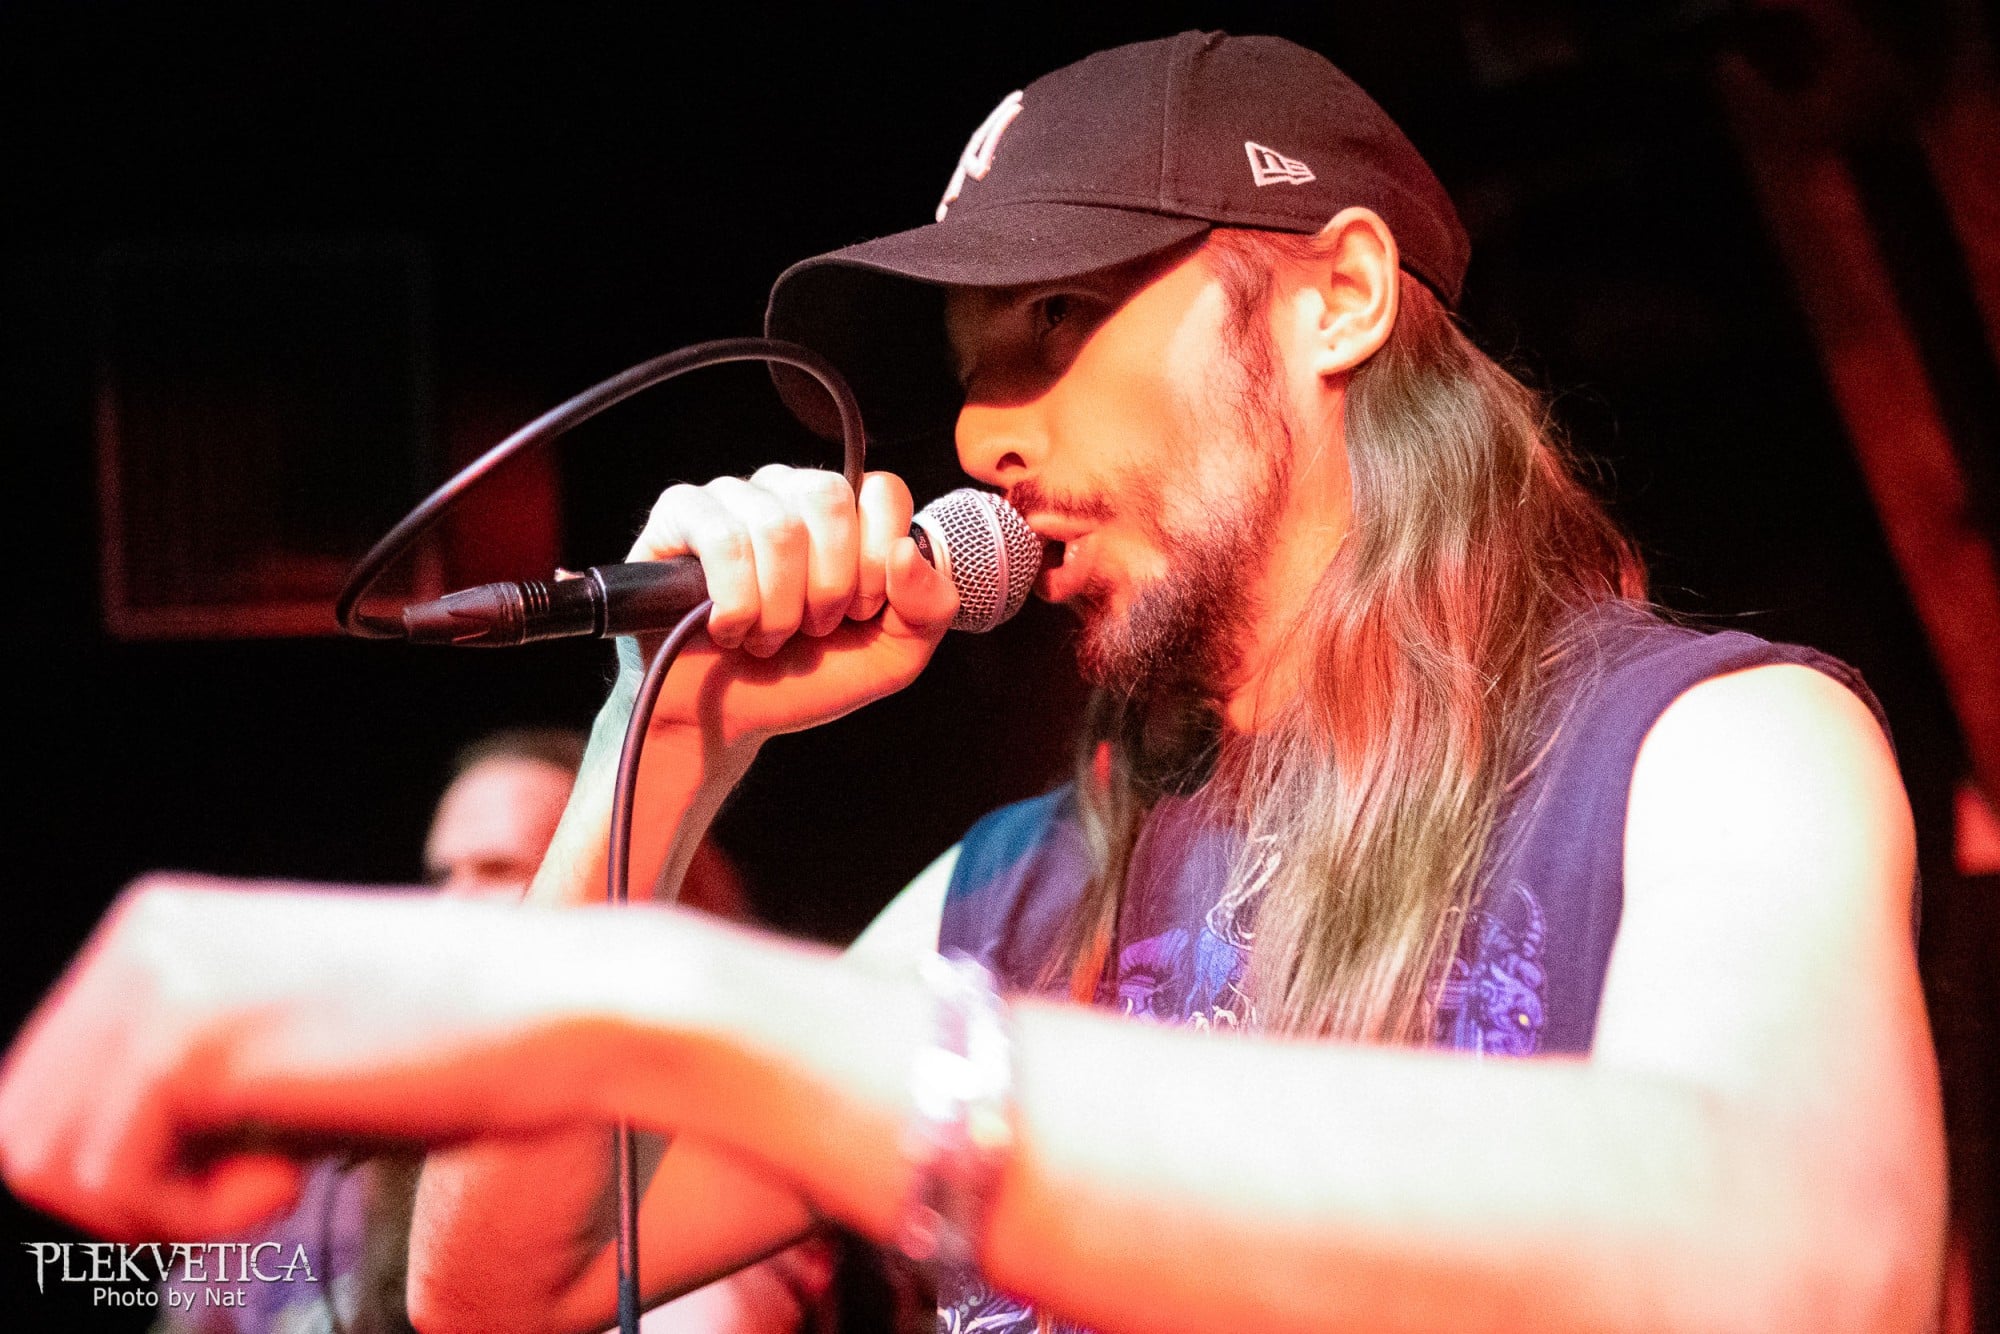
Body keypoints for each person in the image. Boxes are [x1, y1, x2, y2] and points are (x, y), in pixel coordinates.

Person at [0, 30, 1946, 1334]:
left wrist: (687, 1005)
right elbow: (501, 1288)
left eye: (1059, 319)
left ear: (1339, 295)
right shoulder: (1010, 889)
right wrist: (660, 744)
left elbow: (1808, 1263)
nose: (983, 430)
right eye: (970, 364)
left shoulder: (1711, 748)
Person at [150, 730, 826, 1334]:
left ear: (641, 897)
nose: (452, 906)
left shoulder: (716, 1166)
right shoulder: (338, 1158)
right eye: (443, 875)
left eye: (501, 870)